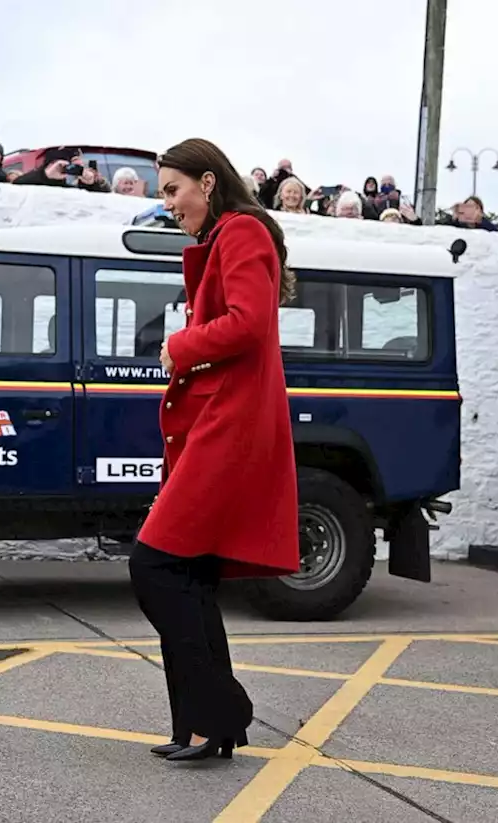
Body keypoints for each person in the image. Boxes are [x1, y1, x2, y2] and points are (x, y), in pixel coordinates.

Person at [130, 137, 300, 761]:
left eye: (172, 190)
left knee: (155, 567)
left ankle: (220, 712)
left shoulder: (241, 232)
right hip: (215, 425)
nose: (168, 204)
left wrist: (182, 344)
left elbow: (250, 322)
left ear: (207, 182)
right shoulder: (224, 237)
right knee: (190, 575)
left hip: (229, 429)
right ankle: (203, 726)